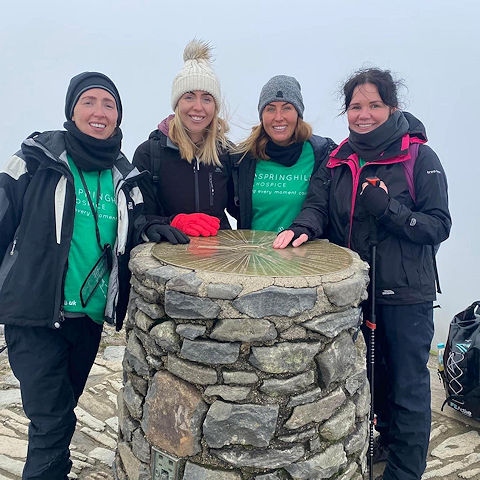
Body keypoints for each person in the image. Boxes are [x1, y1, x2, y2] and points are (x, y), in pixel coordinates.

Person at [274, 68, 451, 480]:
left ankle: (404, 472)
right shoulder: (339, 159)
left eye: (374, 105)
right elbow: (317, 207)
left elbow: (438, 225)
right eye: (356, 106)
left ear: (392, 108)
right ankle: (384, 443)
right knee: (373, 380)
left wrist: (388, 210)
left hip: (407, 295)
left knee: (407, 388)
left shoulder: (419, 158)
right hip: (358, 293)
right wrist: (302, 227)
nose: (364, 114)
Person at [0, 71, 145, 480]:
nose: (99, 112)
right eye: (89, 101)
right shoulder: (36, 158)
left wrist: (155, 230)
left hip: (88, 319)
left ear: (118, 115)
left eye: (109, 104)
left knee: (61, 414)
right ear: (72, 109)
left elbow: (135, 228)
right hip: (35, 315)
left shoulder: (123, 174)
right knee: (51, 422)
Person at [133, 39, 237, 243]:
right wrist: (174, 222)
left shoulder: (227, 154)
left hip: (216, 260)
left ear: (215, 107)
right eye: (189, 97)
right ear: (177, 103)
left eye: (207, 98)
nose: (198, 107)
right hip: (164, 265)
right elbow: (136, 217)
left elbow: (245, 210)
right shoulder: (149, 153)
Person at [234, 74, 335, 232]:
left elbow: (323, 207)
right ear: (262, 116)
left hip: (304, 253)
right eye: (270, 109)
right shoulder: (243, 158)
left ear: (298, 113)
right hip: (256, 254)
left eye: (287, 108)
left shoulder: (322, 153)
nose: (278, 117)